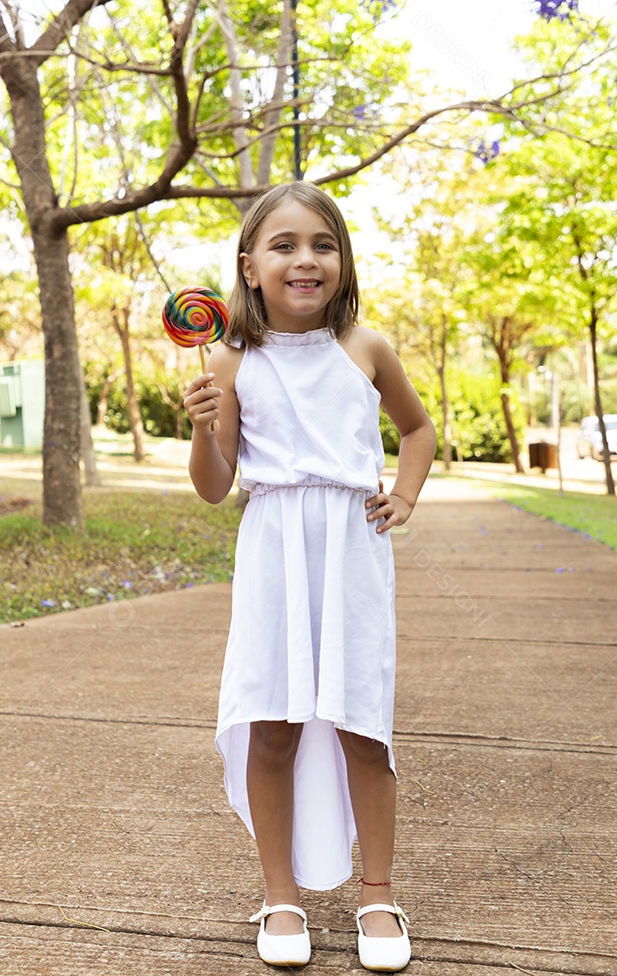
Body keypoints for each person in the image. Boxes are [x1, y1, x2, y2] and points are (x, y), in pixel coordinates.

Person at [184, 181, 436, 972]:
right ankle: (280, 894)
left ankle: (377, 893)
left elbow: (418, 428)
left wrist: (403, 493)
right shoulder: (228, 358)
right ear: (249, 266)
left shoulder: (365, 346)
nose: (305, 260)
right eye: (284, 245)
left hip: (352, 552)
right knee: (273, 722)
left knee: (363, 722)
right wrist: (200, 427)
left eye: (322, 245)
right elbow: (216, 483)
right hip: (273, 549)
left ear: (343, 260)